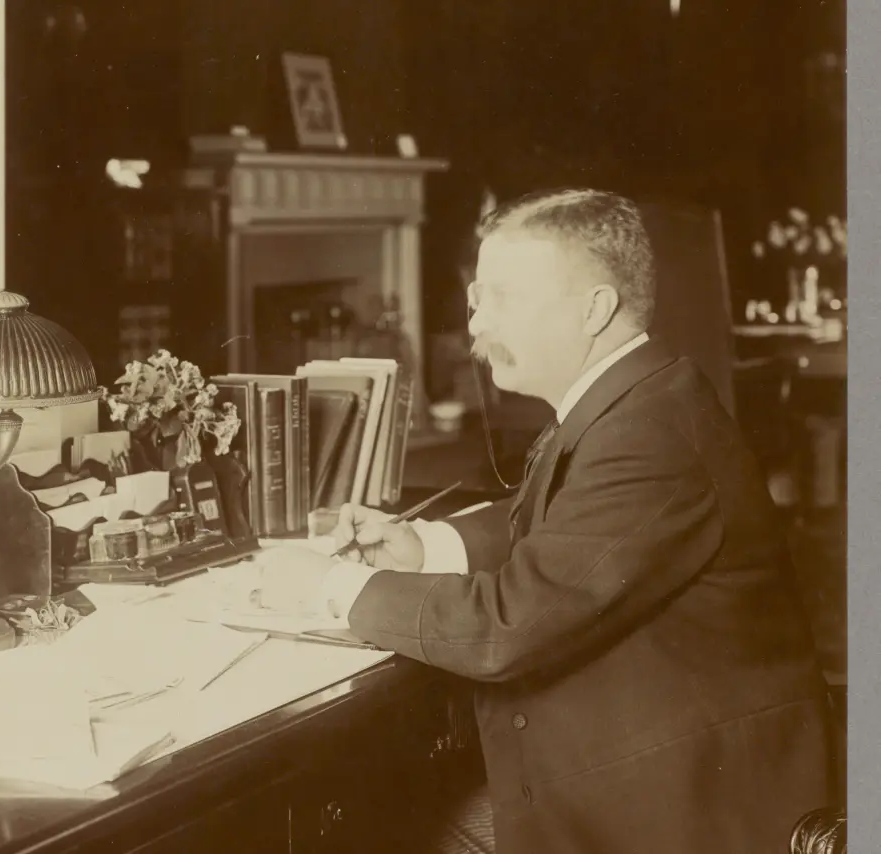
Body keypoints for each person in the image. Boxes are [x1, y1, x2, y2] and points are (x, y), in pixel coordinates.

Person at [255, 188, 834, 854]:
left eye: (504, 298)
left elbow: (509, 626)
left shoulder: (649, 434)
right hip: (643, 769)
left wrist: (328, 585)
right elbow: (566, 519)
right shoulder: (637, 398)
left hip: (684, 815)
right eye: (478, 299)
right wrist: (421, 545)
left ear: (595, 309)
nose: (476, 326)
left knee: (379, 836)